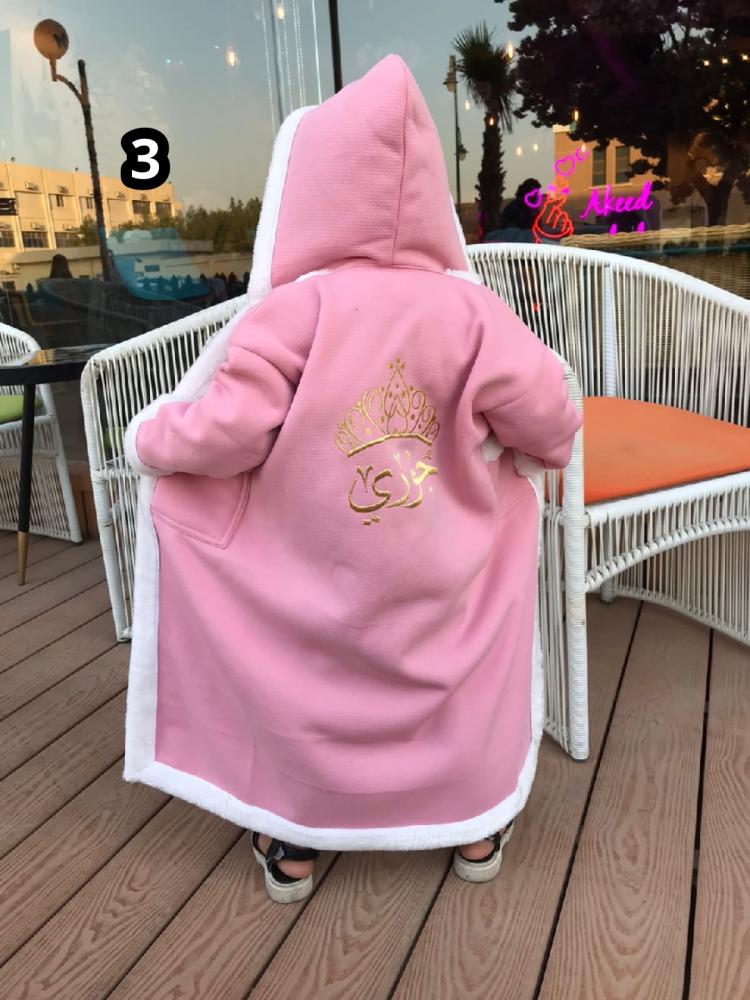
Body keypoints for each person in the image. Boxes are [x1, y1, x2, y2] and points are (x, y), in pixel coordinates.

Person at [123, 56, 581, 905]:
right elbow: (550, 421)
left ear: (308, 192)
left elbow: (226, 434)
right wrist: (530, 450)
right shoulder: (474, 313)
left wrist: (149, 438)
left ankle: (297, 837)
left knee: (304, 674)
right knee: (465, 660)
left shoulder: (291, 314)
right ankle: (475, 823)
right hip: (442, 565)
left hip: (321, 565)